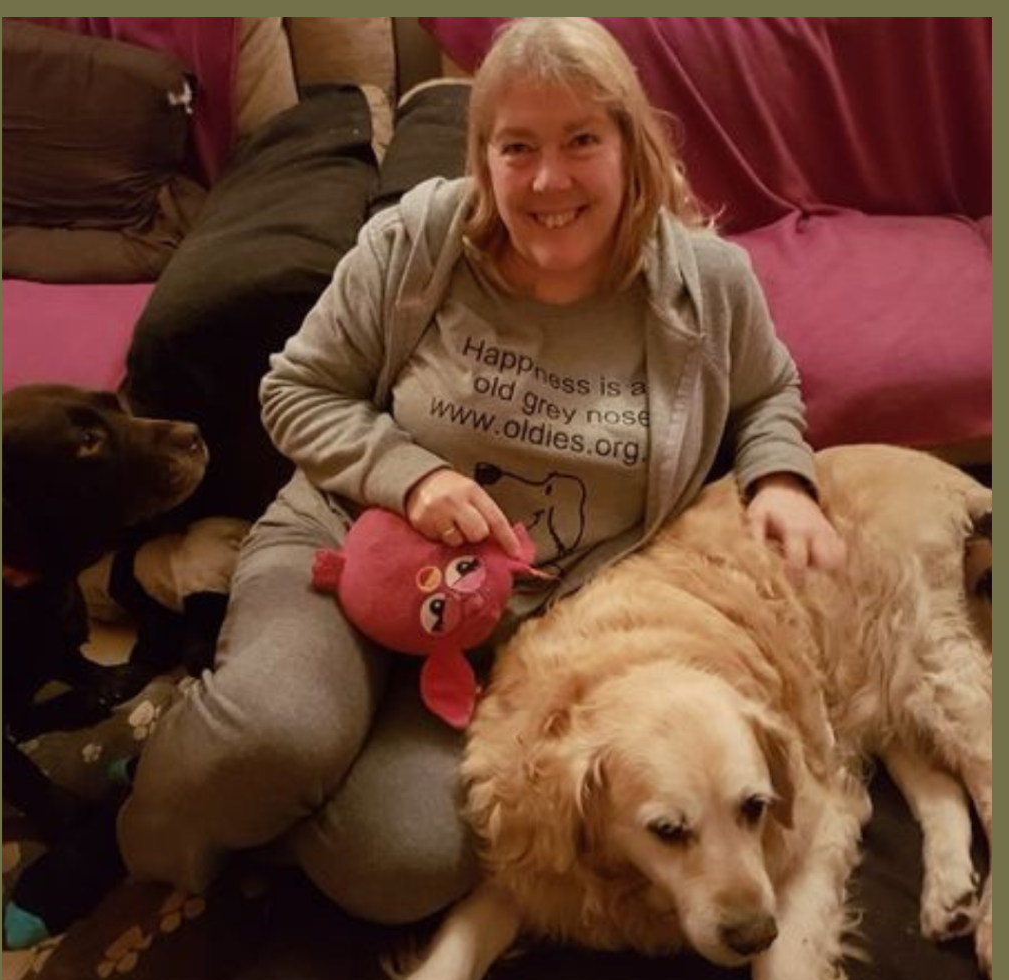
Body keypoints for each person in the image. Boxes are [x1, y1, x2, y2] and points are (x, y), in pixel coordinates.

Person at [117, 17, 845, 926]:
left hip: (508, 631)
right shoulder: (420, 241)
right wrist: (411, 476)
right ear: (483, 156)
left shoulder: (706, 283)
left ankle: (277, 787)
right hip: (342, 546)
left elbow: (768, 391)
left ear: (630, 143)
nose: (548, 179)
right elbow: (297, 390)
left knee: (406, 864)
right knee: (278, 732)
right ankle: (148, 836)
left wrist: (781, 478)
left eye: (582, 139)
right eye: (517, 146)